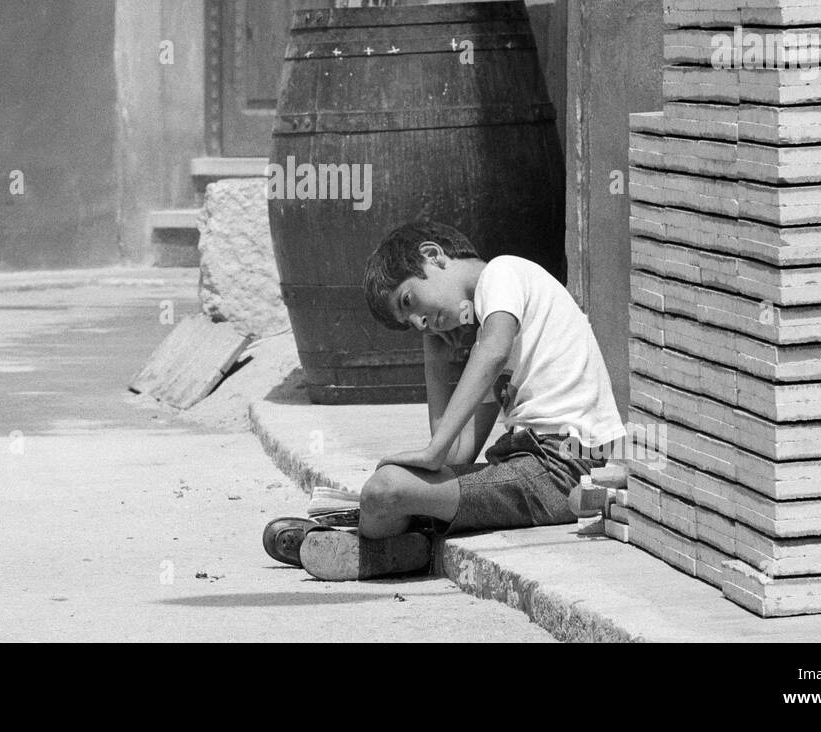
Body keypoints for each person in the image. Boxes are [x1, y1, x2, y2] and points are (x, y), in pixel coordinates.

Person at [264, 219, 626, 581]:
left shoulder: (502, 273)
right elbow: (457, 455)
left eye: (409, 301)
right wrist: (433, 351)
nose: (421, 322)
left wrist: (433, 450)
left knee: (385, 489)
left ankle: (369, 547)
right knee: (395, 484)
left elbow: (492, 354)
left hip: (563, 468)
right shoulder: (489, 334)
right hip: (532, 465)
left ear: (433, 256)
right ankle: (396, 547)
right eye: (412, 324)